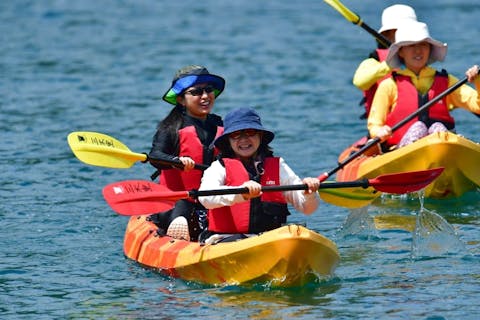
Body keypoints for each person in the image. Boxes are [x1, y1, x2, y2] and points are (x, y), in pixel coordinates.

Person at [197, 107, 321, 243]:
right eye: (236, 135)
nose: (244, 139)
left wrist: (309, 193)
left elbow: (307, 209)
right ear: (228, 140)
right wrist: (241, 193)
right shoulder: (219, 167)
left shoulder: (278, 166)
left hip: (270, 239)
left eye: (250, 132)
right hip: (226, 240)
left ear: (260, 136)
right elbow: (205, 198)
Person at [367, 21, 480, 150]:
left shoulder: (447, 81)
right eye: (411, 45)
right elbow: (374, 125)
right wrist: (379, 132)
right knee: (418, 128)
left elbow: (477, 106)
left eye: (423, 45)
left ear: (430, 49)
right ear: (401, 52)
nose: (418, 50)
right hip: (401, 151)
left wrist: (478, 81)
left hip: (441, 147)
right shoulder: (389, 85)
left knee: (437, 128)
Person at [147, 65, 226, 241]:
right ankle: (178, 236)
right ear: (181, 99)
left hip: (212, 200)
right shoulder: (170, 128)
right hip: (176, 201)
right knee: (182, 213)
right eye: (196, 92)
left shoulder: (220, 125)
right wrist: (176, 160)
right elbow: (155, 156)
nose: (205, 96)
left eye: (208, 90)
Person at [353, 4, 418, 119]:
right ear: (386, 35)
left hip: (420, 126)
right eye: (401, 31)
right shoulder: (374, 61)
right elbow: (359, 81)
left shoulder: (420, 59)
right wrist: (388, 65)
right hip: (384, 130)